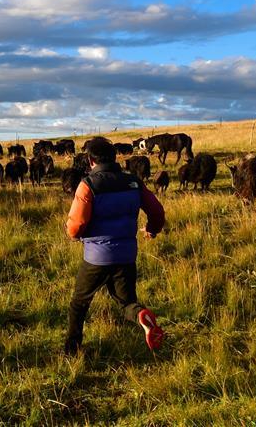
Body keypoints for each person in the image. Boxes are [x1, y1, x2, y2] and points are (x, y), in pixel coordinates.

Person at [64, 137, 166, 355]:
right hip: (127, 255)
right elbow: (157, 212)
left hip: (96, 258)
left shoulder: (88, 185)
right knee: (126, 302)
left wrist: (74, 235)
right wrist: (152, 229)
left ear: (91, 160)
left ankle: (72, 350)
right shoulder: (133, 182)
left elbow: (77, 224)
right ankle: (140, 314)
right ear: (114, 156)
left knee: (79, 303)